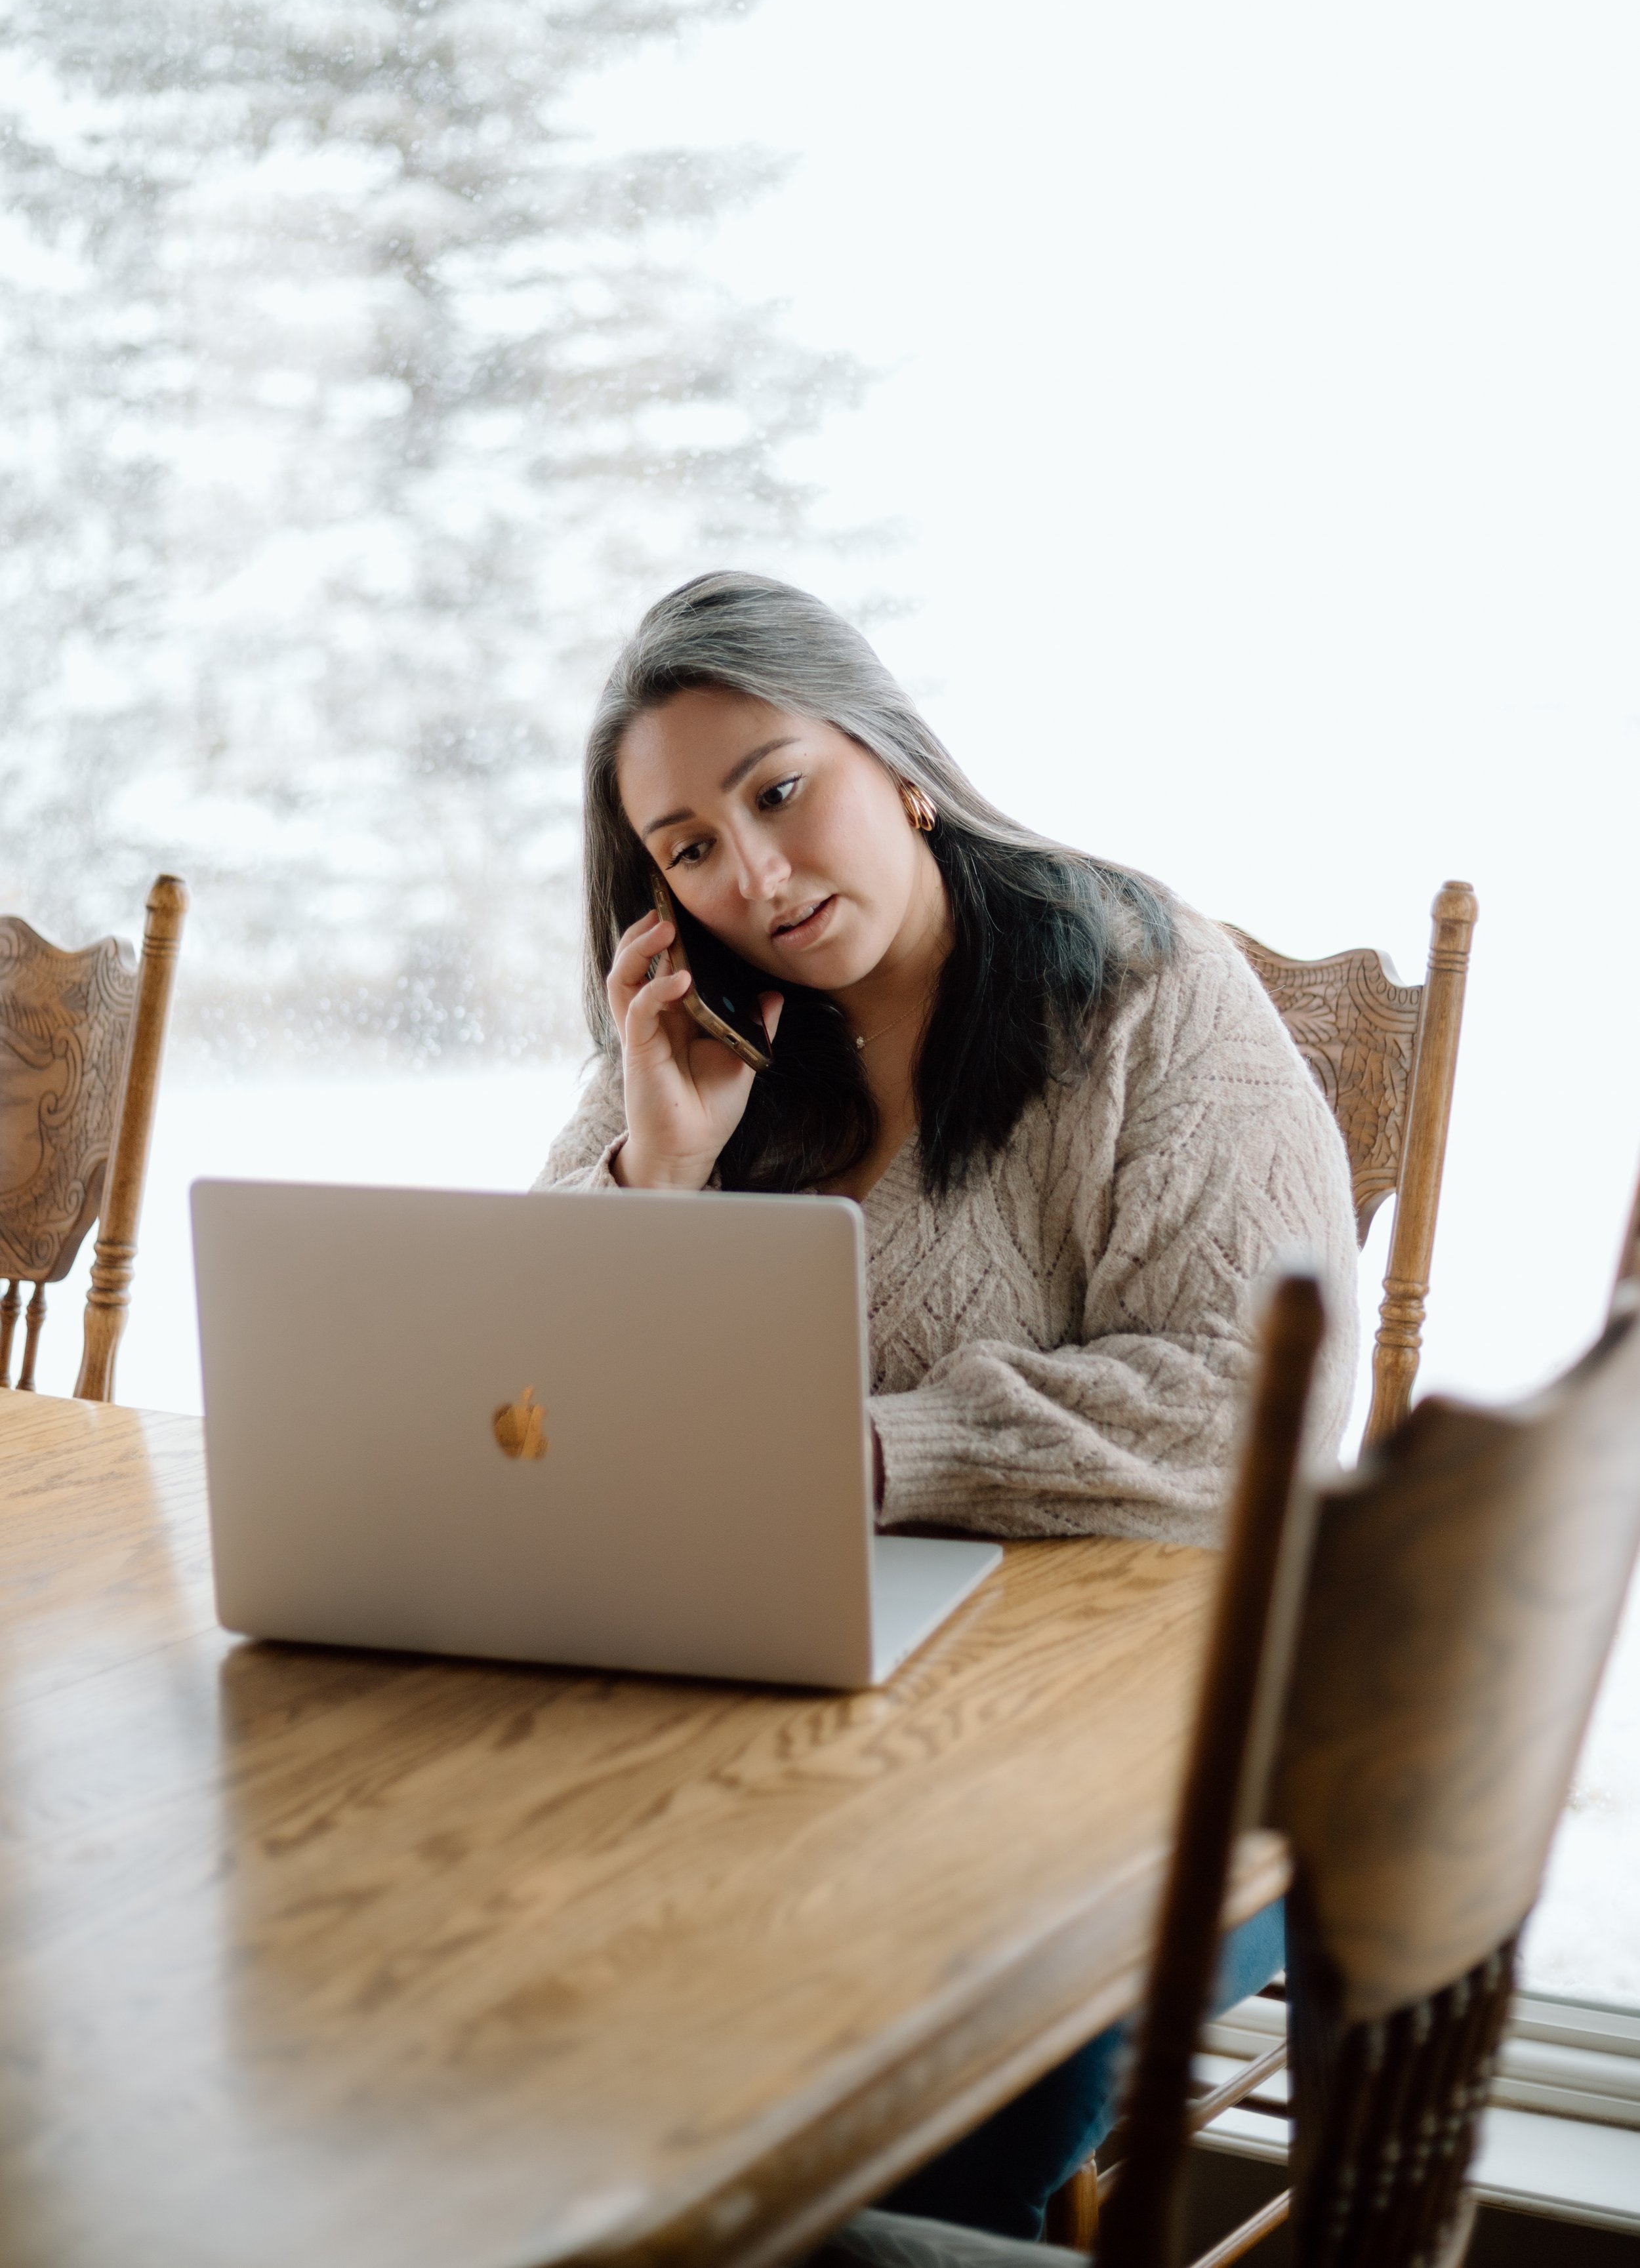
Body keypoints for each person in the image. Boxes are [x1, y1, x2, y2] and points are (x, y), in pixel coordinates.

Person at [536, 570, 1358, 2230]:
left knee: (887, 2142)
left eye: (778, 790)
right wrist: (658, 1162)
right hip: (823, 1717)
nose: (752, 873)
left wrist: (866, 1453)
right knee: (546, 2023)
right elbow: (539, 1404)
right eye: (689, 846)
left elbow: (1243, 1400)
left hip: (1183, 1748)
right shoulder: (711, 1041)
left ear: (896, 763)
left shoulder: (1138, 983)